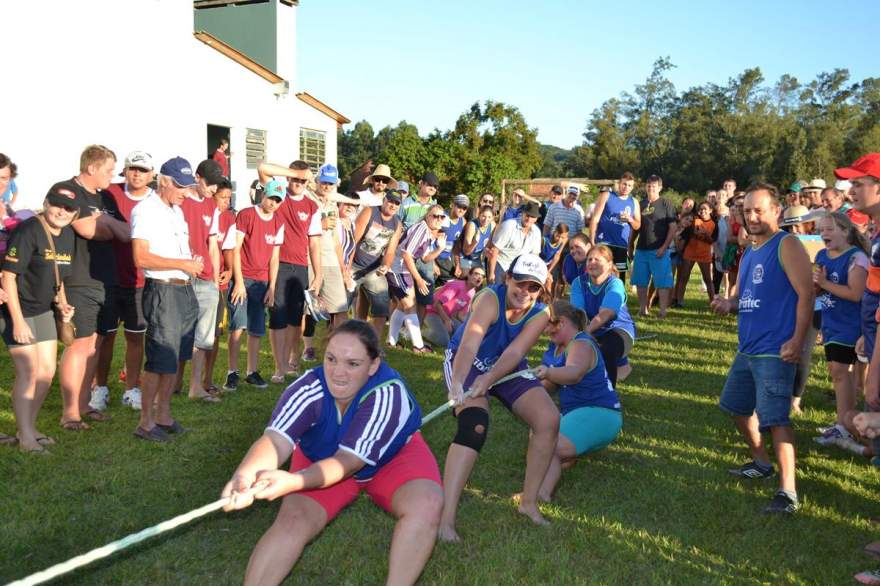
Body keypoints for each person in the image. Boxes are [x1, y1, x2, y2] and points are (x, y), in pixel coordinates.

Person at [221, 320, 442, 585]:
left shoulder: (388, 393)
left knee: (426, 504)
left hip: (391, 459)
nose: (338, 373)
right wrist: (244, 476)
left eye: (353, 364)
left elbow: (349, 461)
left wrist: (294, 481)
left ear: (374, 365)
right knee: (293, 521)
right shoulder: (309, 387)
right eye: (331, 359)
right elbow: (276, 440)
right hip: (321, 458)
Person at [438, 253, 559, 541]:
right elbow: (469, 344)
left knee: (548, 419)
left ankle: (528, 504)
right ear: (507, 278)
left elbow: (516, 353)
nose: (525, 292)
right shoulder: (489, 298)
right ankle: (445, 519)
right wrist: (458, 383)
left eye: (533, 288)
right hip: (467, 362)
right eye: (520, 283)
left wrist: (490, 379)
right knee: (475, 424)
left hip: (505, 366)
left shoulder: (541, 312)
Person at [711, 183, 813, 514]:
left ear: (776, 212)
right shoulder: (752, 250)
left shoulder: (788, 244)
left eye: (759, 210)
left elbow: (806, 295)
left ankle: (788, 491)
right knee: (737, 407)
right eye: (747, 211)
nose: (752, 216)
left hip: (775, 349)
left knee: (776, 419)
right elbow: (749, 297)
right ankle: (761, 462)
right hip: (748, 347)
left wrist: (797, 341)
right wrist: (730, 303)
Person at [130, 157, 204, 442]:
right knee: (160, 357)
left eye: (188, 186)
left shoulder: (176, 210)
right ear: (163, 181)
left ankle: (164, 415)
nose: (186, 192)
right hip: (163, 290)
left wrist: (187, 263)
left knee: (175, 358)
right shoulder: (145, 210)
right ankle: (146, 422)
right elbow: (141, 257)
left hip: (183, 289)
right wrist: (182, 264)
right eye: (181, 186)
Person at [1, 184, 78, 453]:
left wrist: (64, 305)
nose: (61, 211)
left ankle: (29, 428)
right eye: (57, 204)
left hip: (44, 309)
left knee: (47, 370)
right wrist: (18, 321)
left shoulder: (68, 236)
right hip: (17, 308)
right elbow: (8, 276)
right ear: (46, 203)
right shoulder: (29, 230)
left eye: (68, 208)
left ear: (75, 212)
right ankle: (26, 440)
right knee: (28, 371)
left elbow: (61, 278)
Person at [60, 145, 131, 431]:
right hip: (79, 278)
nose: (113, 175)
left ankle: (84, 403)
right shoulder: (67, 191)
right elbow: (87, 230)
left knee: (95, 345)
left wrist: (104, 220)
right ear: (92, 168)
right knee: (80, 345)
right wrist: (104, 226)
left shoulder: (106, 198)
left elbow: (126, 233)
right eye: (109, 169)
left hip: (105, 279)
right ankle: (69, 413)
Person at [535, 300, 622, 501]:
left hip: (600, 413)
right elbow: (547, 387)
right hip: (579, 412)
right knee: (537, 438)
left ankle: (540, 494)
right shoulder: (555, 349)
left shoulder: (581, 343)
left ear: (562, 322)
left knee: (548, 446)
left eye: (547, 324)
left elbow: (574, 373)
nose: (544, 330)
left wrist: (548, 372)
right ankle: (568, 456)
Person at [92, 151, 155, 412]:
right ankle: (100, 388)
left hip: (139, 280)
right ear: (124, 171)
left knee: (135, 338)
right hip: (107, 277)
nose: (137, 174)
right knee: (105, 337)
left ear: (152, 175)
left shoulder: (155, 201)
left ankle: (131, 389)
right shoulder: (109, 194)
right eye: (132, 168)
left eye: (142, 169)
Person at [257, 160, 322, 383]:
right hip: (278, 264)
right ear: (288, 177)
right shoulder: (278, 195)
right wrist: (296, 172)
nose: (299, 182)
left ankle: (293, 359)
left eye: (303, 180)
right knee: (278, 317)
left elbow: (314, 243)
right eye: (295, 178)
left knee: (296, 319)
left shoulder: (312, 206)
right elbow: (262, 168)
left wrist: (319, 274)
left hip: (301, 267)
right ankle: (279, 366)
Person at [812, 212, 868, 448]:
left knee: (840, 372)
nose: (824, 234)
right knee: (837, 373)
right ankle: (843, 423)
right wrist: (816, 286)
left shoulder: (857, 257)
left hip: (851, 324)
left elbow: (856, 294)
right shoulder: (821, 255)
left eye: (829, 229)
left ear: (845, 231)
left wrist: (825, 284)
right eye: (821, 230)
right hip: (831, 322)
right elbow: (819, 292)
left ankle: (844, 427)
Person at [225, 180, 286, 391]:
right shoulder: (246, 214)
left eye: (278, 200)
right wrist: (239, 282)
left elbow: (275, 258)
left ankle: (252, 371)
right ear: (263, 195)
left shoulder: (279, 221)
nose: (273, 203)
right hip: (243, 278)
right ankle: (232, 372)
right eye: (271, 198)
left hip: (262, 281)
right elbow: (235, 249)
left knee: (257, 329)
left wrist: (271, 287)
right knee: (238, 326)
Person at [178, 159, 224, 402]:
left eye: (217, 185)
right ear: (197, 177)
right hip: (181, 276)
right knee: (177, 332)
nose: (213, 189)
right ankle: (174, 382)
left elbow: (213, 245)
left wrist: (215, 280)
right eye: (210, 183)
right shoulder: (180, 201)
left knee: (204, 336)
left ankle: (195, 387)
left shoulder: (212, 207)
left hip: (206, 278)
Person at [571, 245, 636, 387]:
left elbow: (606, 314)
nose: (592, 262)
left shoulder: (615, 283)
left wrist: (587, 333)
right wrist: (582, 334)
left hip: (619, 329)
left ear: (609, 265)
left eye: (597, 259)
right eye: (589, 259)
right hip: (590, 327)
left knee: (606, 350)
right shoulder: (578, 283)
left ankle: (608, 393)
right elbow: (578, 313)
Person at [386, 204, 446, 353]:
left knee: (403, 305)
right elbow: (406, 254)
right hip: (397, 268)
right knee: (410, 304)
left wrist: (440, 249)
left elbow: (425, 259)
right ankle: (418, 346)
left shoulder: (428, 232)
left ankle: (391, 341)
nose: (438, 219)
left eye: (441, 217)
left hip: (403, 269)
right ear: (427, 216)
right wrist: (418, 279)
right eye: (435, 216)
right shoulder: (421, 229)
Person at [352, 188, 404, 344]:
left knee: (381, 308)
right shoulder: (369, 212)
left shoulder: (397, 224)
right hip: (354, 264)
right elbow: (353, 240)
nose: (393, 205)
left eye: (396, 203)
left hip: (374, 268)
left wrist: (386, 266)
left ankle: (373, 346)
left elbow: (390, 252)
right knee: (341, 307)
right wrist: (346, 266)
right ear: (384, 200)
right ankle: (342, 341)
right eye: (390, 201)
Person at [204, 180, 236, 393]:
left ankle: (207, 379)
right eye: (222, 197)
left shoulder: (229, 218)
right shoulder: (201, 213)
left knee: (214, 333)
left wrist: (230, 270)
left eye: (228, 198)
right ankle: (178, 381)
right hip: (198, 279)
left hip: (219, 285)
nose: (226, 202)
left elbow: (228, 248)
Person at [630, 175, 677, 318]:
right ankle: (643, 309)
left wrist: (664, 247)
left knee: (662, 283)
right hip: (641, 249)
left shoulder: (666, 204)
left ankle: (662, 311)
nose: (651, 188)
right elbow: (635, 227)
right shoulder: (640, 204)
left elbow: (673, 227)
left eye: (654, 186)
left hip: (659, 249)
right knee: (640, 281)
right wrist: (630, 245)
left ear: (660, 188)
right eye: (649, 186)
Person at [589, 172, 641, 283]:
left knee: (619, 278)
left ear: (632, 187)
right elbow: (595, 218)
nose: (626, 187)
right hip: (604, 242)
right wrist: (592, 239)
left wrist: (630, 219)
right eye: (624, 184)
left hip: (621, 245)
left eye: (629, 185)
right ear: (619, 183)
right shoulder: (607, 195)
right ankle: (597, 298)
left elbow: (637, 225)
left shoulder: (634, 202)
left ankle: (617, 299)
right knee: (600, 274)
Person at [423, 266, 485, 348]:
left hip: (447, 316)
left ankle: (443, 331)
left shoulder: (472, 292)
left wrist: (472, 327)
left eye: (482, 276)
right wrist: (446, 320)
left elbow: (460, 315)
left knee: (463, 336)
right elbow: (437, 304)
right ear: (469, 275)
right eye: (476, 274)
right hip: (431, 312)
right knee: (444, 341)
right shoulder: (457, 285)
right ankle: (417, 332)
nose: (479, 277)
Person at [486, 200, 542, 284]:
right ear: (522, 213)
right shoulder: (509, 226)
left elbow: (535, 256)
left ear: (536, 218)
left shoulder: (537, 232)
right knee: (497, 293)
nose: (529, 219)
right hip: (501, 264)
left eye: (533, 217)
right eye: (528, 215)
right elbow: (494, 250)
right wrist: (491, 274)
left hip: (519, 268)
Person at [674, 201, 717, 306]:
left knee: (707, 279)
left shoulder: (713, 223)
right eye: (700, 209)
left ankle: (713, 302)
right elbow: (685, 232)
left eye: (705, 209)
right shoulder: (694, 220)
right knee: (684, 276)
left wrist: (705, 234)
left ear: (710, 211)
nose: (702, 211)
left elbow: (712, 241)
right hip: (690, 251)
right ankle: (680, 301)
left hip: (704, 253)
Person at [435, 194, 469, 285]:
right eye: (459, 206)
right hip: (436, 257)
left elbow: (457, 246)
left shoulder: (463, 222)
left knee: (463, 277)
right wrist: (433, 264)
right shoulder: (442, 217)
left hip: (448, 257)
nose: (461, 210)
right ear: (452, 205)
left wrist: (458, 264)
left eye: (464, 208)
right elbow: (429, 241)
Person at [459, 204, 494, 272]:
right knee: (466, 275)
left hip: (477, 258)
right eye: (483, 216)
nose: (486, 219)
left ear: (492, 217)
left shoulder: (492, 225)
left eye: (489, 217)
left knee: (480, 275)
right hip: (465, 257)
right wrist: (475, 241)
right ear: (479, 215)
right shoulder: (472, 225)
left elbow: (490, 245)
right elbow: (466, 252)